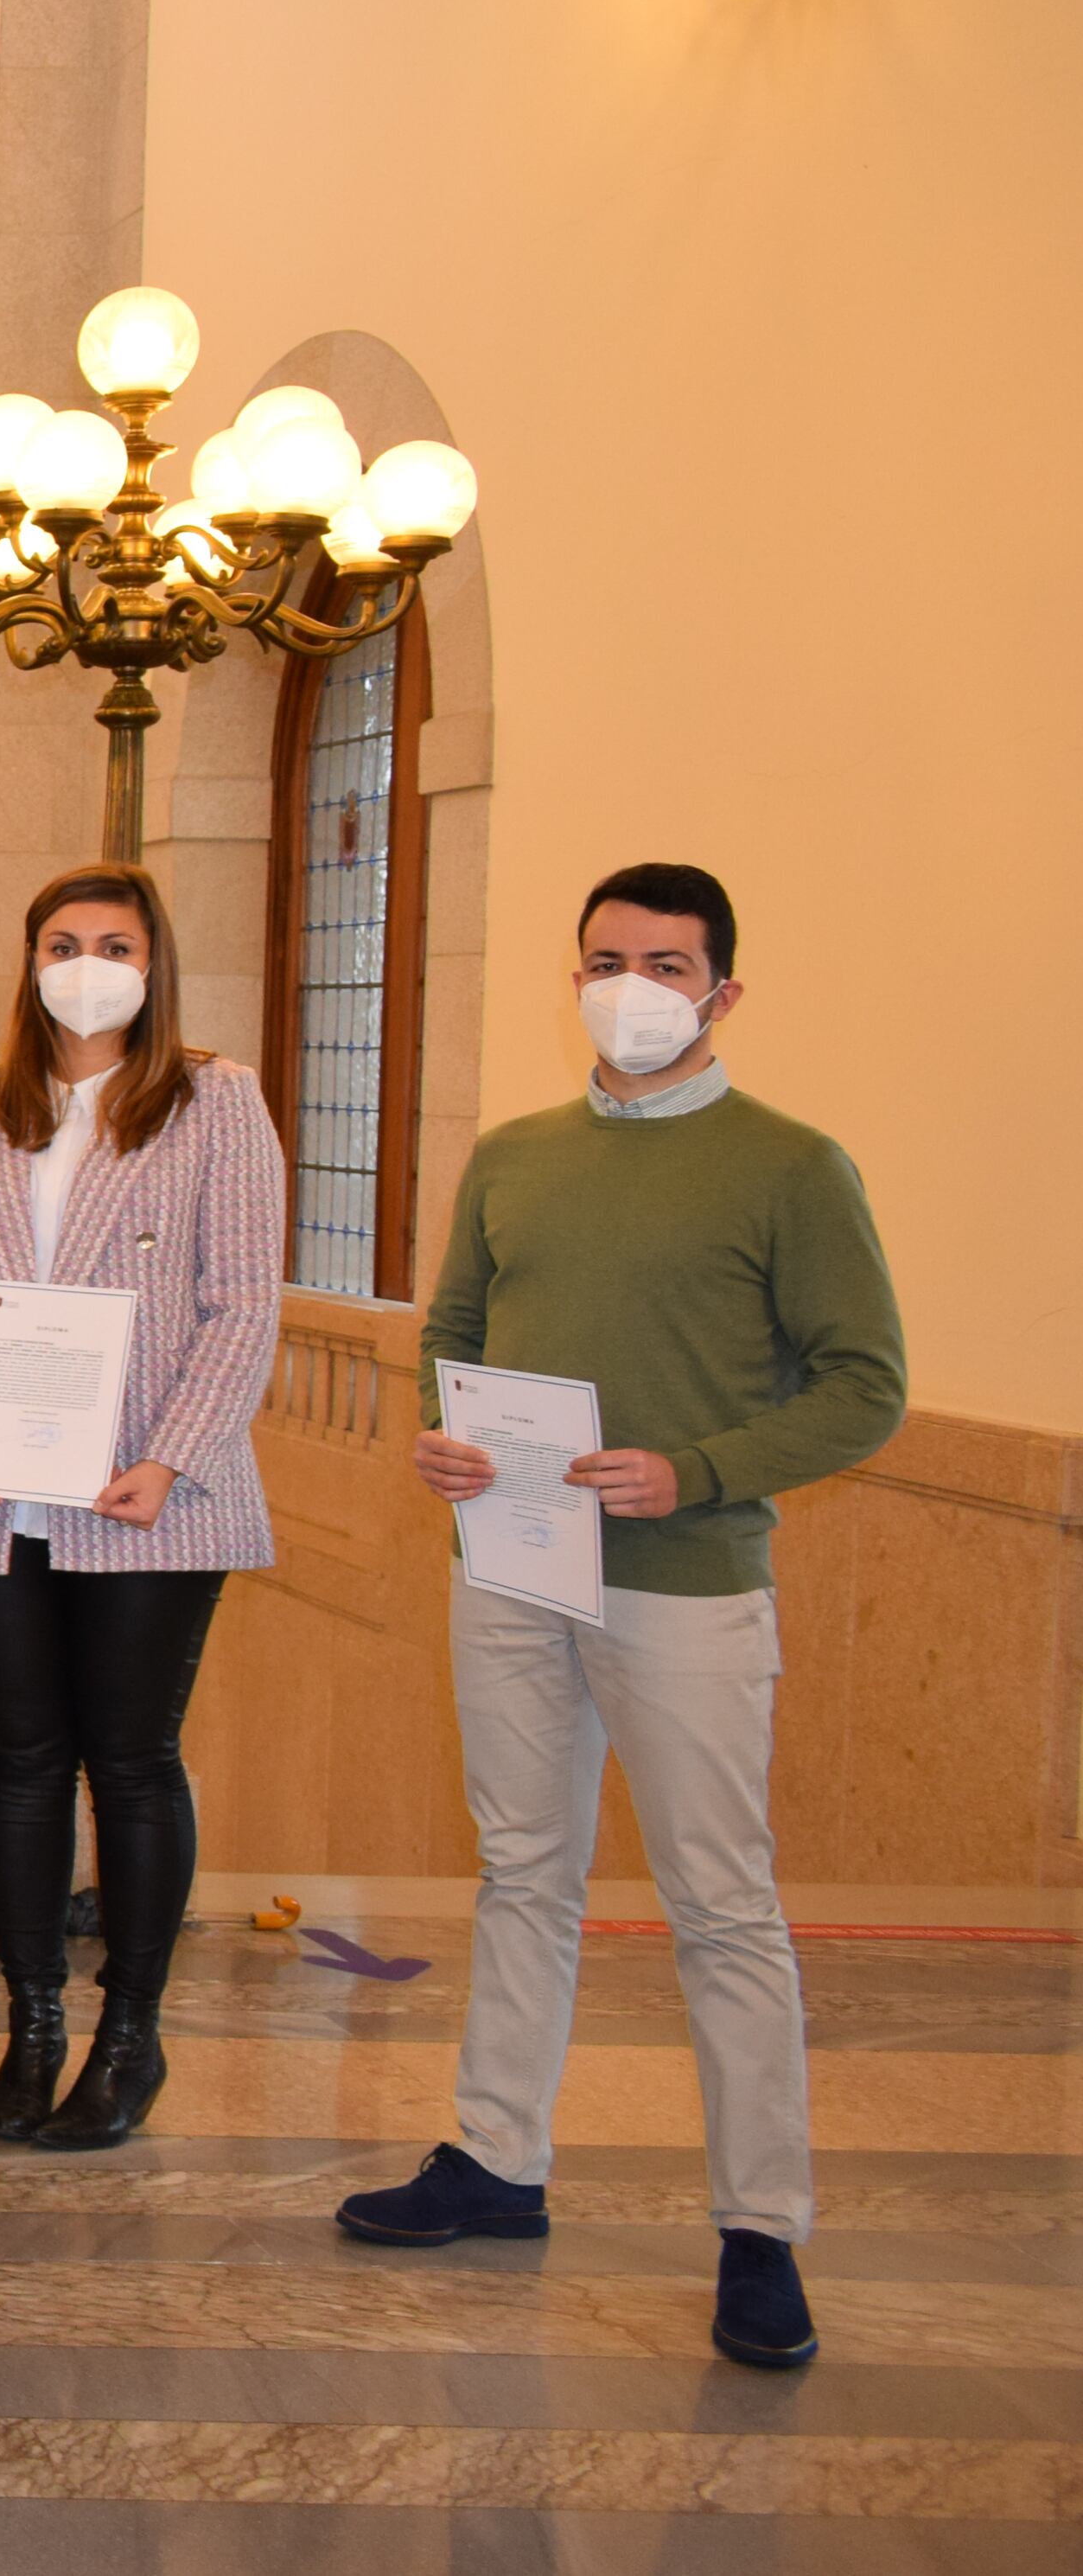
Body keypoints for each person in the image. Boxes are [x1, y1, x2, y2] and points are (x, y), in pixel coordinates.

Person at [340, 863, 903, 2373]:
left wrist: (698, 1470)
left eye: (666, 962)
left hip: (686, 1589)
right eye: (605, 958)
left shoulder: (791, 1166)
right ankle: (499, 2157)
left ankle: (762, 2227)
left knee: (723, 1905)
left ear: (723, 989)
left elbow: (866, 1384)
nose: (631, 984)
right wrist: (448, 1433)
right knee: (524, 1868)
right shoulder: (518, 1154)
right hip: (513, 1565)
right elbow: (456, 1328)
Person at [0, 864, 283, 2150]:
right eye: (65, 941)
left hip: (142, 1496)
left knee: (133, 1761)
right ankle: (34, 2018)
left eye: (115, 942)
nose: (89, 962)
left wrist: (172, 1453)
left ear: (155, 963)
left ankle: (131, 2030)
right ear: (30, 960)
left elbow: (244, 1303)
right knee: (25, 1756)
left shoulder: (216, 1102)